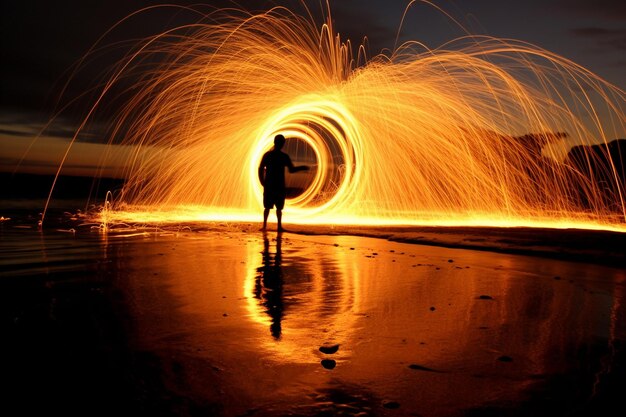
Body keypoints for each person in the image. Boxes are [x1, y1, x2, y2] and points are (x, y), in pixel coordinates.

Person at [258, 134, 309, 231]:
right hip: (278, 185)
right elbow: (292, 170)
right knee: (276, 208)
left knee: (269, 207)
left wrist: (262, 180)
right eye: (281, 143)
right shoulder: (282, 156)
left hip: (271, 184)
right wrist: (302, 168)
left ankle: (266, 226)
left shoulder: (268, 155)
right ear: (281, 144)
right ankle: (277, 226)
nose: (281, 144)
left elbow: (261, 168)